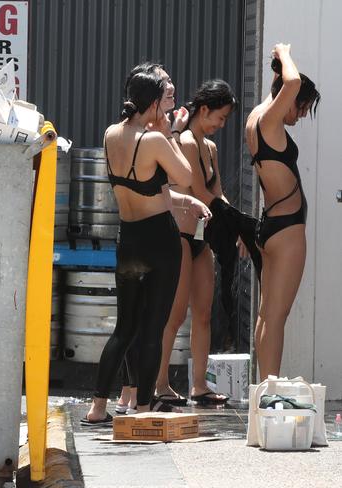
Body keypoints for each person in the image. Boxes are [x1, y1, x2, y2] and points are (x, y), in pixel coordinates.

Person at [83, 63, 211, 424]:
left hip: (128, 238)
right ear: (153, 103)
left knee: (124, 329)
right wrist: (170, 133)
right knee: (152, 328)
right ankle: (141, 408)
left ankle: (96, 408)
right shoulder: (154, 140)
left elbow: (157, 187)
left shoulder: (111, 134)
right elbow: (185, 177)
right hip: (159, 240)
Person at [153, 79, 243, 406]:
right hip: (180, 234)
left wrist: (237, 225)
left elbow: (217, 193)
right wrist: (238, 224)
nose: (221, 124)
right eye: (219, 117)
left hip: (202, 238)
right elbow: (198, 192)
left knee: (203, 312)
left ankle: (199, 385)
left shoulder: (210, 147)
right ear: (203, 110)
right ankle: (159, 382)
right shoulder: (187, 140)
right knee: (175, 315)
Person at [244, 43, 320, 380]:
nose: (300, 115)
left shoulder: (256, 117)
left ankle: (265, 390)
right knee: (276, 317)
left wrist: (278, 67)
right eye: (301, 108)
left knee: (266, 316)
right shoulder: (272, 121)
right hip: (286, 231)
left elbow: (283, 85)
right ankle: (270, 394)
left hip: (269, 228)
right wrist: (285, 52)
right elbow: (290, 85)